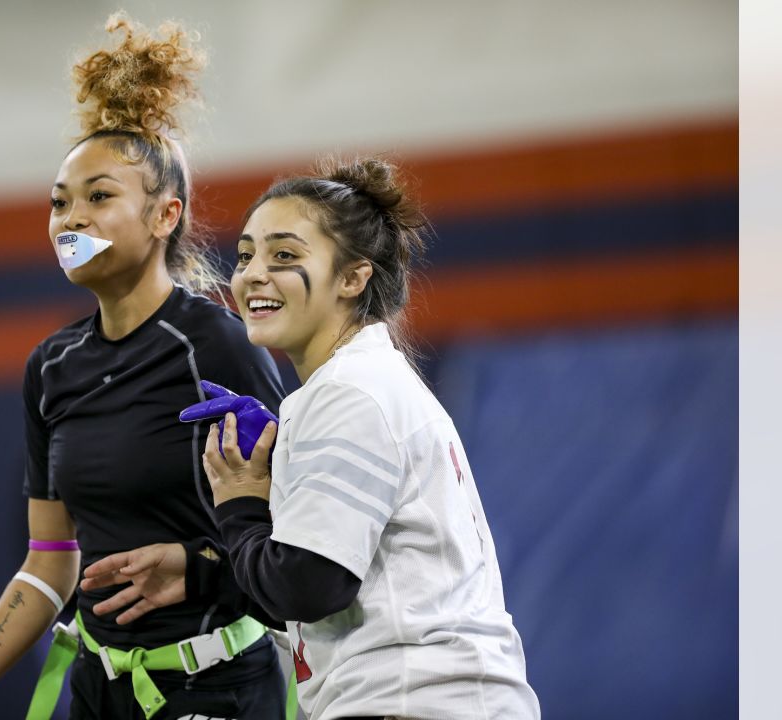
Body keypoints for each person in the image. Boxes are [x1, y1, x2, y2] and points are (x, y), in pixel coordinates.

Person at [0, 14, 288, 720]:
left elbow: (298, 544)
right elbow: (49, 562)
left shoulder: (218, 345)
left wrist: (199, 572)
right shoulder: (52, 367)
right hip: (97, 690)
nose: (70, 220)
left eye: (99, 197)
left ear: (166, 215)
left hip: (216, 688)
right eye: (59, 203)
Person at [200, 158, 542, 719]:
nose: (252, 274)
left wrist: (241, 499)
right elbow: (317, 598)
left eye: (284, 255)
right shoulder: (362, 383)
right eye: (244, 255)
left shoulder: (350, 393)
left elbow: (310, 588)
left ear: (353, 278)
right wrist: (208, 566)